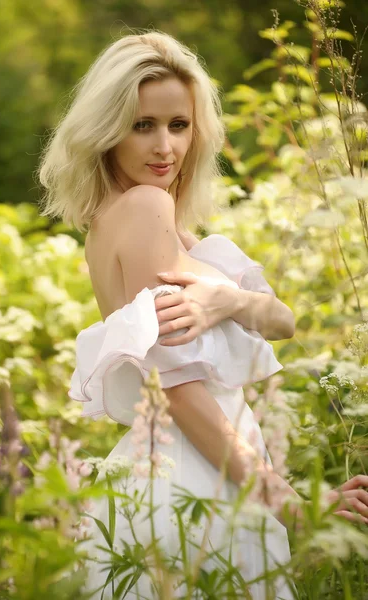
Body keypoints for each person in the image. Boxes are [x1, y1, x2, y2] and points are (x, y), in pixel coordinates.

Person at [37, 30, 368, 599]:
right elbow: (179, 388)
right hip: (193, 485)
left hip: (202, 476)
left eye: (179, 125)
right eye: (143, 125)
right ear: (106, 130)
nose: (164, 146)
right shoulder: (144, 208)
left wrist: (232, 301)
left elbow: (281, 322)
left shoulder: (143, 221)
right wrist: (290, 503)